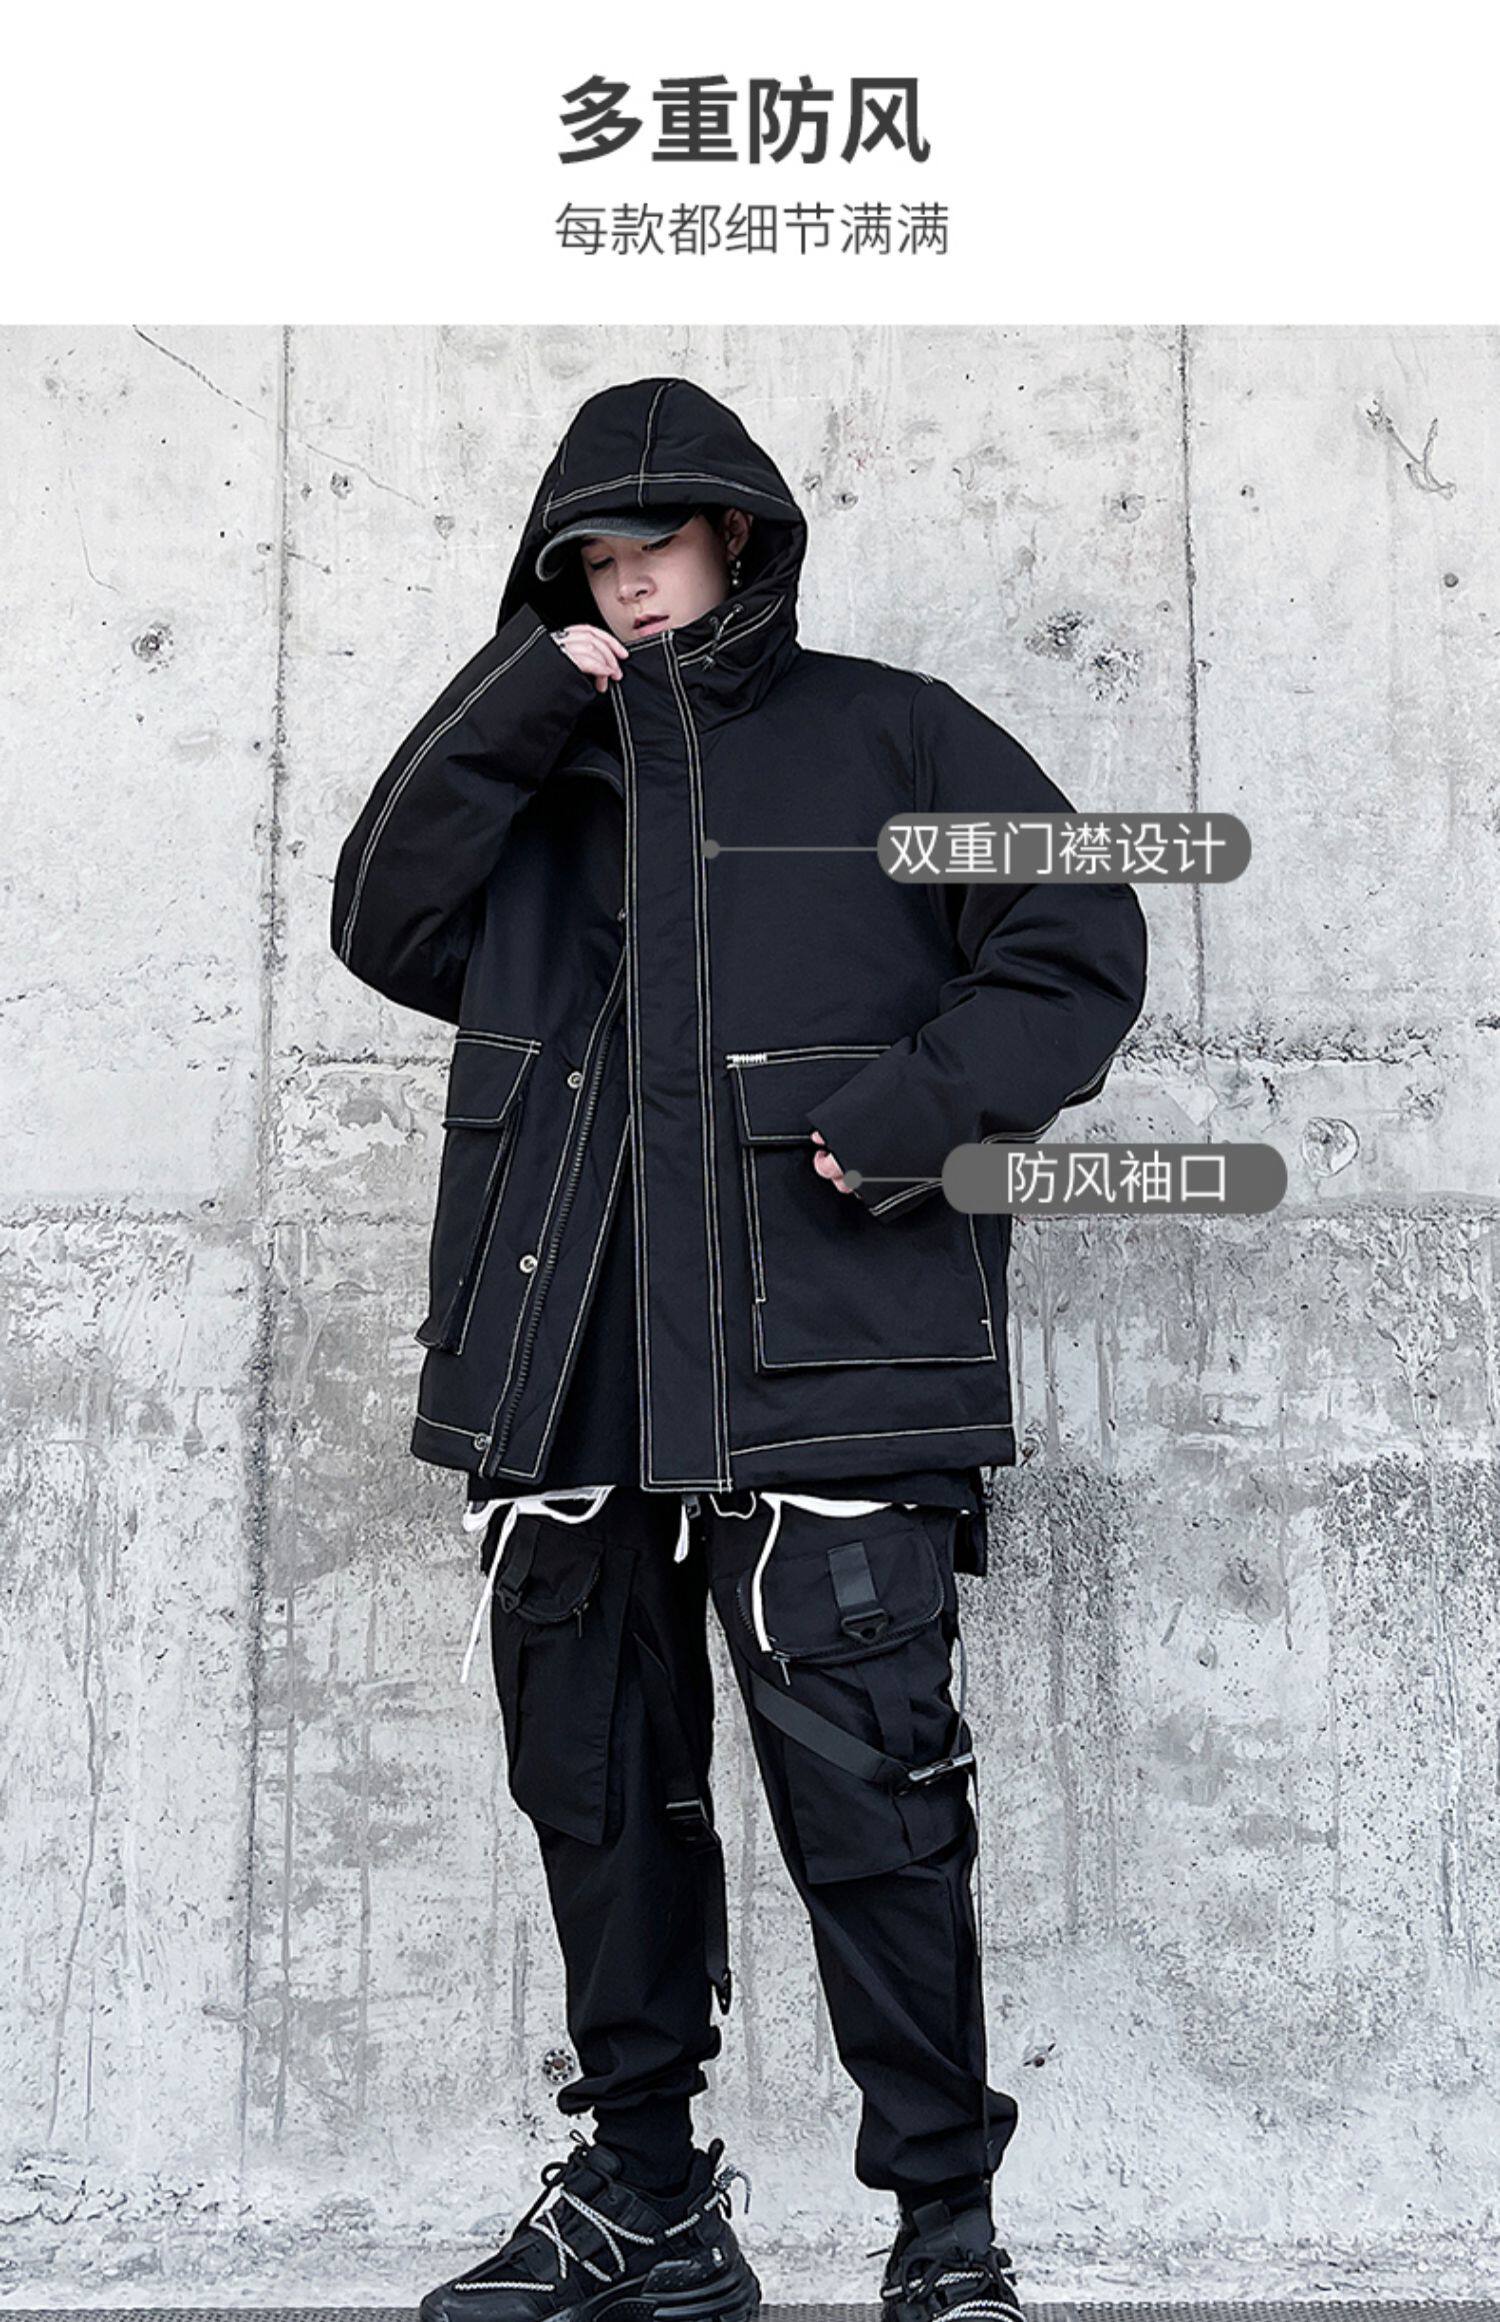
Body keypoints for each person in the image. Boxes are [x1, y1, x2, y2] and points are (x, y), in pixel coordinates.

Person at [329, 376, 1149, 2322]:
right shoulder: (536, 767)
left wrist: (914, 1106)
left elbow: (1079, 939)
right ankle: (650, 2207)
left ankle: (946, 2236)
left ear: (739, 540)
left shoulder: (893, 735)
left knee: (880, 1813)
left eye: (658, 545)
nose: (631, 582)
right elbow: (382, 918)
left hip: (823, 1357)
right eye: (593, 561)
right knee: (598, 1800)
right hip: (570, 1369)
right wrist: (525, 692)